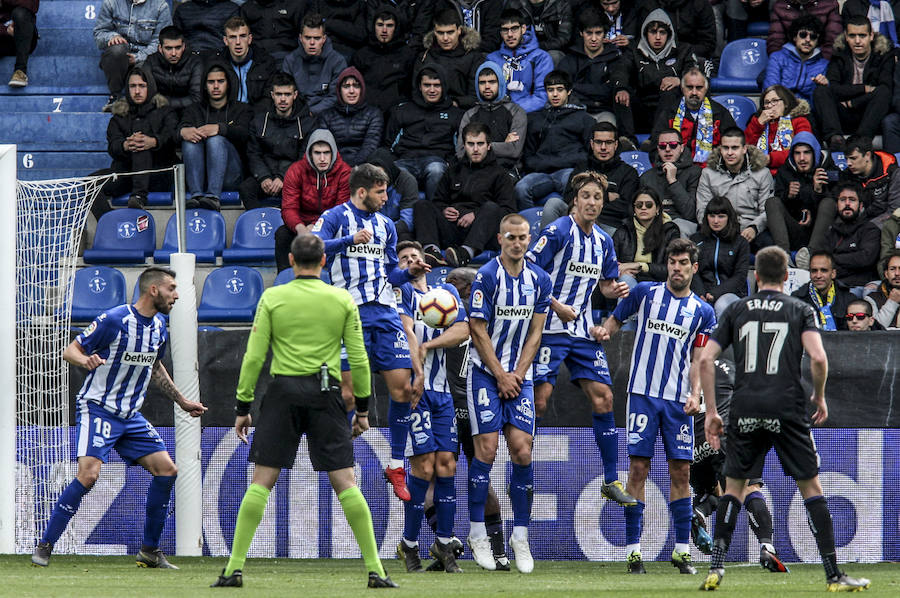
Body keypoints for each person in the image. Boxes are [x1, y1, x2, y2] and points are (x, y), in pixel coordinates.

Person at [210, 234, 396, 590]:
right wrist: (362, 409)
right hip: (325, 393)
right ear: (324, 262)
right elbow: (358, 359)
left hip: (282, 393)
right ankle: (377, 571)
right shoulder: (341, 298)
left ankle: (233, 569)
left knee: (261, 482)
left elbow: (253, 357)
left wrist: (243, 407)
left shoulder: (273, 297)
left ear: (291, 262)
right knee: (346, 483)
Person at [698, 246, 872, 592]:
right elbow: (818, 358)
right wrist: (819, 397)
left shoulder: (736, 309)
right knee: (810, 486)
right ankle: (834, 575)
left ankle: (716, 568)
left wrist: (713, 412)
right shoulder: (799, 308)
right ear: (787, 276)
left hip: (745, 406)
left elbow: (705, 361)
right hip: (787, 406)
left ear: (757, 276)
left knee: (734, 487)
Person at [31, 267, 206, 569]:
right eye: (171, 288)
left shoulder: (159, 326)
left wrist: (182, 401)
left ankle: (149, 551)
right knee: (89, 475)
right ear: (154, 290)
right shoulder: (115, 320)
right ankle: (45, 544)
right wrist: (85, 359)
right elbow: (70, 349)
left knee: (167, 470)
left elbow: (154, 366)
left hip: (129, 415)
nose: (176, 295)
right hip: (98, 407)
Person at [311, 163, 430, 503]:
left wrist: (410, 273)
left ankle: (395, 465)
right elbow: (312, 248)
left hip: (387, 314)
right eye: (380, 191)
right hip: (347, 313)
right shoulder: (335, 216)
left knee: (403, 390)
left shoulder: (387, 225)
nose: (385, 197)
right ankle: (338, 460)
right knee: (348, 396)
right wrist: (349, 239)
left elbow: (391, 272)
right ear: (362, 191)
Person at [597, 237, 716, 575]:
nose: (677, 268)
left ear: (694, 267)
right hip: (642, 395)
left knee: (681, 471)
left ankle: (681, 551)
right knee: (638, 469)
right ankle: (634, 552)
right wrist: (602, 332)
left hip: (678, 401)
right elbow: (615, 321)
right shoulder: (646, 293)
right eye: (673, 262)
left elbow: (698, 358)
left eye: (683, 263)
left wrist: (697, 395)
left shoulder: (703, 313)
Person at [525, 172, 635, 506]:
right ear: (575, 200)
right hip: (549, 328)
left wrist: (614, 289)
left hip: (582, 331)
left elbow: (604, 285)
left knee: (604, 398)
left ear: (603, 202)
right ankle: (523, 473)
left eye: (597, 197)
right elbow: (530, 271)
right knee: (540, 399)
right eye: (586, 196)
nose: (591, 202)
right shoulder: (558, 231)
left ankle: (611, 479)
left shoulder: (604, 241)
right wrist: (556, 306)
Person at [466, 213, 552, 574]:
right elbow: (477, 329)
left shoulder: (541, 279)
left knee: (522, 448)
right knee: (486, 447)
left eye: (523, 237)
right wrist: (501, 374)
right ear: (500, 239)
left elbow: (536, 333)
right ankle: (476, 534)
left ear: (529, 238)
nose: (518, 243)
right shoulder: (487, 276)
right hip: (486, 374)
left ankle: (520, 535)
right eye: (511, 237)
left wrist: (517, 373)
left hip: (520, 376)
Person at [393, 241, 469, 574]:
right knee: (423, 468)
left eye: (415, 257)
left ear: (426, 264)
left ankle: (443, 542)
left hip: (443, 392)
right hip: (413, 391)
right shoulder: (398, 295)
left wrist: (429, 345)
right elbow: (406, 330)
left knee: (447, 465)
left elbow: (463, 329)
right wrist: (419, 360)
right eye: (404, 258)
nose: (411, 261)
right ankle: (408, 545)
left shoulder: (445, 295)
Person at [436, 266, 511, 570]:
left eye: (451, 284)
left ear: (465, 288)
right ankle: (499, 551)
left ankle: (446, 541)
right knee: (480, 478)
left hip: (451, 404)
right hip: (477, 405)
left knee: (434, 475)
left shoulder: (450, 318)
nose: (445, 290)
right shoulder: (490, 320)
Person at [688, 352, 788, 573]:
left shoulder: (683, 368)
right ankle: (766, 545)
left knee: (715, 493)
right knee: (749, 487)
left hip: (691, 443)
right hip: (721, 435)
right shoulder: (728, 367)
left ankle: (699, 512)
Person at [414, 122, 516, 268]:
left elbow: (509, 212)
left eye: (480, 144)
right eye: (470, 144)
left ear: (488, 145)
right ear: (464, 145)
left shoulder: (500, 174)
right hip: (453, 228)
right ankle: (432, 253)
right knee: (422, 205)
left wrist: (476, 214)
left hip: (481, 233)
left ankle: (466, 253)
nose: (475, 149)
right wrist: (444, 209)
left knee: (492, 208)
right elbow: (438, 201)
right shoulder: (453, 170)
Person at [612, 9, 700, 146]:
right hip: (641, 110)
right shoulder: (633, 50)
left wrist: (680, 80)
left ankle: (655, 142)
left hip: (669, 111)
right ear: (645, 34)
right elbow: (621, 71)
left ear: (669, 34)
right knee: (620, 94)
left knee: (670, 91)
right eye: (653, 32)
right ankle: (628, 141)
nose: (658, 37)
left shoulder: (683, 50)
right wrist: (621, 88)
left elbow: (696, 74)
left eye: (662, 32)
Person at [515, 70, 596, 209]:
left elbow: (588, 154)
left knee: (577, 186)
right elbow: (528, 156)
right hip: (540, 173)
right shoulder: (535, 119)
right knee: (520, 189)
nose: (555, 94)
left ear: (569, 91)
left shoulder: (585, 119)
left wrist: (553, 162)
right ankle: (530, 225)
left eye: (560, 90)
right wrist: (545, 165)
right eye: (550, 90)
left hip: (568, 171)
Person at [179, 60, 253, 211]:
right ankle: (197, 196)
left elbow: (247, 134)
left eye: (221, 81)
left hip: (231, 176)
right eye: (211, 82)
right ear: (205, 86)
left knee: (216, 140)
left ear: (228, 83)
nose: (216, 86)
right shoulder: (193, 110)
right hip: (200, 176)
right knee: (189, 141)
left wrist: (220, 129)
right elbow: (174, 132)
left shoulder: (242, 109)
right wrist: (182, 131)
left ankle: (213, 197)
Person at [240, 72, 320, 211]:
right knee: (246, 188)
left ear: (295, 95)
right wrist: (263, 177)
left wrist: (284, 178)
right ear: (272, 95)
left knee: (302, 190)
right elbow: (253, 153)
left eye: (287, 94)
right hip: (266, 174)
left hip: (292, 177)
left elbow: (305, 157)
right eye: (279, 94)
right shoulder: (259, 121)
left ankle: (286, 225)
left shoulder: (307, 123)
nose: (283, 99)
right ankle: (259, 224)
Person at [812, 15, 893, 149]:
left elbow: (885, 89)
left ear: (871, 36)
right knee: (821, 90)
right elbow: (834, 88)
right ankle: (835, 139)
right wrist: (864, 89)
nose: (857, 41)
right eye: (852, 36)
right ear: (846, 36)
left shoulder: (883, 56)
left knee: (883, 93)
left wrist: (852, 103)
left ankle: (860, 142)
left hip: (870, 116)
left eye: (862, 36)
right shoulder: (839, 56)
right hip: (843, 115)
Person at [275, 129, 351, 272]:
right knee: (282, 234)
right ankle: (284, 279)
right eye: (317, 153)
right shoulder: (296, 170)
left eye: (326, 153)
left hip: (331, 225)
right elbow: (288, 207)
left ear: (333, 152)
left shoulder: (345, 172)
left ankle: (336, 279)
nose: (322, 158)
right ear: (310, 153)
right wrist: (301, 228)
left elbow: (341, 210)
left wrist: (317, 227)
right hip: (302, 224)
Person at [104, 65, 179, 209]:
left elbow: (172, 136)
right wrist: (124, 145)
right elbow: (113, 145)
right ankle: (108, 221)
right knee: (89, 185)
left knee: (141, 144)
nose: (137, 91)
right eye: (132, 86)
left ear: (150, 86)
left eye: (142, 86)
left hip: (159, 174)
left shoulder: (165, 112)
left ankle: (139, 196)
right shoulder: (119, 116)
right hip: (126, 174)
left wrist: (154, 141)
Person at [385, 65, 463, 202]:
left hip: (436, 160)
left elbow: (459, 147)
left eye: (437, 85)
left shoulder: (455, 114)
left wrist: (451, 162)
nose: (432, 90)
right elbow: (388, 143)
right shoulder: (403, 110)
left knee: (436, 170)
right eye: (427, 85)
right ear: (420, 86)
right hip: (405, 160)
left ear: (444, 86)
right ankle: (398, 220)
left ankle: (434, 213)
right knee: (395, 171)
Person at [544, 121, 639, 231]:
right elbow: (568, 198)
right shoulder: (581, 168)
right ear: (592, 144)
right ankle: (544, 246)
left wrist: (587, 204)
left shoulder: (629, 173)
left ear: (616, 145)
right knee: (553, 203)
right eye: (599, 142)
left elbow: (626, 208)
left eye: (608, 142)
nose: (603, 147)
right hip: (576, 219)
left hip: (607, 224)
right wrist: (606, 197)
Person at [695, 127, 773, 251]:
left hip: (750, 230)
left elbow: (767, 211)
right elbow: (702, 208)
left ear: (744, 149)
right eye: (725, 148)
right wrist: (718, 228)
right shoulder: (708, 173)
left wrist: (754, 228)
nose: (730, 153)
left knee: (769, 245)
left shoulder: (762, 173)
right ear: (720, 149)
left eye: (735, 148)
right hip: (718, 228)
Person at [766, 132, 835, 262]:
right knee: (772, 202)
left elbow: (838, 202)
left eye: (807, 152)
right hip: (794, 231)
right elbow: (778, 210)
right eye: (797, 153)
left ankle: (810, 254)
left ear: (815, 152)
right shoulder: (785, 171)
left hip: (821, 233)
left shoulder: (828, 169)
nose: (802, 158)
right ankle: (783, 257)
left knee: (828, 202)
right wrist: (788, 196)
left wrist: (818, 191)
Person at [93, 0, 172, 111]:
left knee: (146, 67)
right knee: (117, 50)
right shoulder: (111, 3)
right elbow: (99, 33)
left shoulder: (161, 6)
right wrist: (111, 37)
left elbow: (160, 42)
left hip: (145, 58)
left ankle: (144, 105)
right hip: (119, 60)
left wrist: (137, 58)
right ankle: (116, 96)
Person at [653, 68, 737, 166]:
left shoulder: (720, 114)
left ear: (705, 89)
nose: (694, 92)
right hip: (676, 171)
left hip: (712, 171)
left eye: (699, 88)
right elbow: (655, 148)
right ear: (682, 88)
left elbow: (733, 147)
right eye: (689, 87)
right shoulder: (670, 113)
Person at [456, 61, 527, 171]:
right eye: (482, 83)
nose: (487, 86)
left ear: (500, 83)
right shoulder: (469, 115)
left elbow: (514, 150)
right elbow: (461, 152)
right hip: (474, 171)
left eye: (492, 82)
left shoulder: (516, 112)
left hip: (505, 171)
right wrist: (503, 145)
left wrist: (475, 147)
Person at [690, 196, 751, 318]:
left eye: (721, 216)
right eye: (712, 216)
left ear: (729, 218)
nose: (716, 221)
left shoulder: (740, 243)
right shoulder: (696, 240)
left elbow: (740, 276)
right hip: (700, 292)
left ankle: (720, 337)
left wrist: (715, 293)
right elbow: (692, 270)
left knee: (723, 305)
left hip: (730, 293)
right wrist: (701, 293)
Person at [558, 8, 623, 120]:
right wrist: (598, 91)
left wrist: (575, 87)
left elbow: (611, 91)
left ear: (605, 34)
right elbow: (562, 90)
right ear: (581, 33)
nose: (593, 39)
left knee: (607, 129)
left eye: (598, 33)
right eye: (589, 33)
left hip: (605, 112)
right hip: (574, 112)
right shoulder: (569, 59)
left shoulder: (615, 59)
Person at [351, 6, 417, 115]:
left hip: (396, 113)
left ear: (396, 28)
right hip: (365, 112)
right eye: (380, 25)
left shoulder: (408, 55)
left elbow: (411, 90)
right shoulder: (361, 55)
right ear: (373, 26)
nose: (384, 30)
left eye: (389, 25)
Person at [486, 8, 554, 113]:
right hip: (498, 114)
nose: (509, 34)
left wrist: (513, 111)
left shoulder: (541, 57)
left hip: (531, 113)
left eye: (514, 28)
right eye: (505, 30)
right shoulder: (492, 59)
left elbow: (542, 96)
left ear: (523, 28)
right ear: (500, 32)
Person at [416, 8, 484, 110]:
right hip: (427, 109)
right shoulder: (424, 56)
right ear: (434, 32)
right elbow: (415, 92)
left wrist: (454, 103)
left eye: (450, 32)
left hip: (460, 111)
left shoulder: (473, 57)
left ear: (459, 30)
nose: (445, 38)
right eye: (440, 33)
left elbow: (475, 96)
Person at [614, 187, 681, 288]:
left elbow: (671, 268)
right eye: (639, 205)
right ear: (634, 209)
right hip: (630, 278)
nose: (643, 208)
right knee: (625, 281)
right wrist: (620, 271)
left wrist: (639, 265)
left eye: (649, 205)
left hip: (659, 282)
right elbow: (611, 262)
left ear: (657, 209)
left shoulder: (670, 230)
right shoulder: (623, 230)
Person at [639, 128, 702, 237]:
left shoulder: (695, 172)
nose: (667, 149)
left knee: (676, 229)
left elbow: (690, 213)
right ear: (658, 149)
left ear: (681, 148)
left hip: (683, 224)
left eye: (673, 145)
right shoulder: (647, 177)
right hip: (653, 223)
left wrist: (673, 181)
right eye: (663, 146)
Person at [282, 12, 348, 115]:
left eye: (317, 38)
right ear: (300, 38)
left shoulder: (337, 61)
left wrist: (312, 111)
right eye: (307, 38)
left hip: (327, 115)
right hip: (297, 114)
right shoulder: (290, 61)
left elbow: (336, 96)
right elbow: (286, 93)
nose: (312, 43)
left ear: (324, 39)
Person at [820, 182, 882, 288]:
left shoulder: (870, 230)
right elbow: (824, 262)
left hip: (859, 286)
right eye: (843, 200)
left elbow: (865, 259)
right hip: (834, 285)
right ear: (837, 205)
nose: (847, 204)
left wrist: (834, 258)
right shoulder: (831, 232)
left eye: (852, 200)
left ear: (861, 205)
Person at [318, 67, 383, 167]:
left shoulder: (373, 114)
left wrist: (352, 167)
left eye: (356, 86)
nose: (351, 91)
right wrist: (340, 167)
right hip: (333, 166)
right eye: (346, 86)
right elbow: (325, 147)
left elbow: (370, 146)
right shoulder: (326, 115)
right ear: (339, 90)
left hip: (364, 166)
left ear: (362, 89)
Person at [762, 14, 830, 110]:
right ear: (795, 37)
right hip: (780, 109)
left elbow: (822, 102)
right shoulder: (777, 57)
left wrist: (826, 85)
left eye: (813, 36)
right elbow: (770, 89)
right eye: (803, 35)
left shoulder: (824, 64)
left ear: (817, 41)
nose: (807, 40)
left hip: (808, 112)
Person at [745, 85, 813, 176]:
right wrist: (758, 124)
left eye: (774, 101)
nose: (769, 106)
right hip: (759, 173)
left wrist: (770, 159)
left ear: (786, 103)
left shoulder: (799, 121)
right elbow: (745, 147)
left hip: (790, 173)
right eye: (766, 102)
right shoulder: (757, 121)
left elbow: (802, 150)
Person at [837, 135, 900, 227]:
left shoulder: (891, 172)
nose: (848, 163)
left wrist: (869, 228)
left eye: (853, 158)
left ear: (867, 155)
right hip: (857, 223)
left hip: (883, 225)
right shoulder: (846, 175)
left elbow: (895, 210)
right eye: (846, 159)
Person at [145, 26, 203, 118]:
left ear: (183, 46)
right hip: (158, 113)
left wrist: (165, 102)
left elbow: (197, 98)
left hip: (188, 113)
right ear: (160, 48)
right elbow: (146, 94)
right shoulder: (151, 61)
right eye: (168, 48)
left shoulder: (194, 62)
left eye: (178, 48)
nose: (173, 53)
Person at [221, 16, 278, 107]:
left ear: (250, 39)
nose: (238, 42)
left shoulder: (265, 62)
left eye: (243, 36)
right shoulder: (218, 63)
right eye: (232, 37)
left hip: (256, 115)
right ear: (225, 41)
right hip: (227, 115)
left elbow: (268, 98)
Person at [637, 0, 717, 63]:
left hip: (690, 57)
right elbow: (640, 39)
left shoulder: (700, 3)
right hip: (654, 57)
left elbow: (708, 44)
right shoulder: (648, 4)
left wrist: (680, 53)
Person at [412, 0, 503, 54]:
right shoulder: (443, 2)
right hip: (449, 56)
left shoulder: (492, 3)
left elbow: (491, 40)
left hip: (481, 56)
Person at [769, 0, 842, 60]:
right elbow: (775, 42)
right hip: (789, 60)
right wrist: (782, 65)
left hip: (820, 59)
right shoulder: (780, 6)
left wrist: (820, 65)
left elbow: (833, 41)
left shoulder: (829, 4)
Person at [505, 0, 574, 63]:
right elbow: (506, 31)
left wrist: (537, 46)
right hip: (522, 48)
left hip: (551, 49)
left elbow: (564, 38)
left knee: (554, 56)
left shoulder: (561, 4)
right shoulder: (514, 3)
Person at [239, 0, 303, 64]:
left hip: (286, 54)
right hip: (256, 56)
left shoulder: (293, 4)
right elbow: (242, 36)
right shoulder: (247, 8)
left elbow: (303, 33)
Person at [172, 0, 240, 58]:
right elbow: (176, 39)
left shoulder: (231, 8)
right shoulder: (182, 9)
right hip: (189, 59)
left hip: (221, 59)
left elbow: (235, 39)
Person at [1, 0, 38, 87]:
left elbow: (31, 4)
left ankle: (20, 72)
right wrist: (5, 30)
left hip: (23, 38)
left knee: (21, 13)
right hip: (3, 37)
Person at [869, 250, 900, 328]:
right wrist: (892, 302)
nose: (897, 273)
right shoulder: (872, 299)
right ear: (886, 274)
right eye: (892, 269)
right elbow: (876, 329)